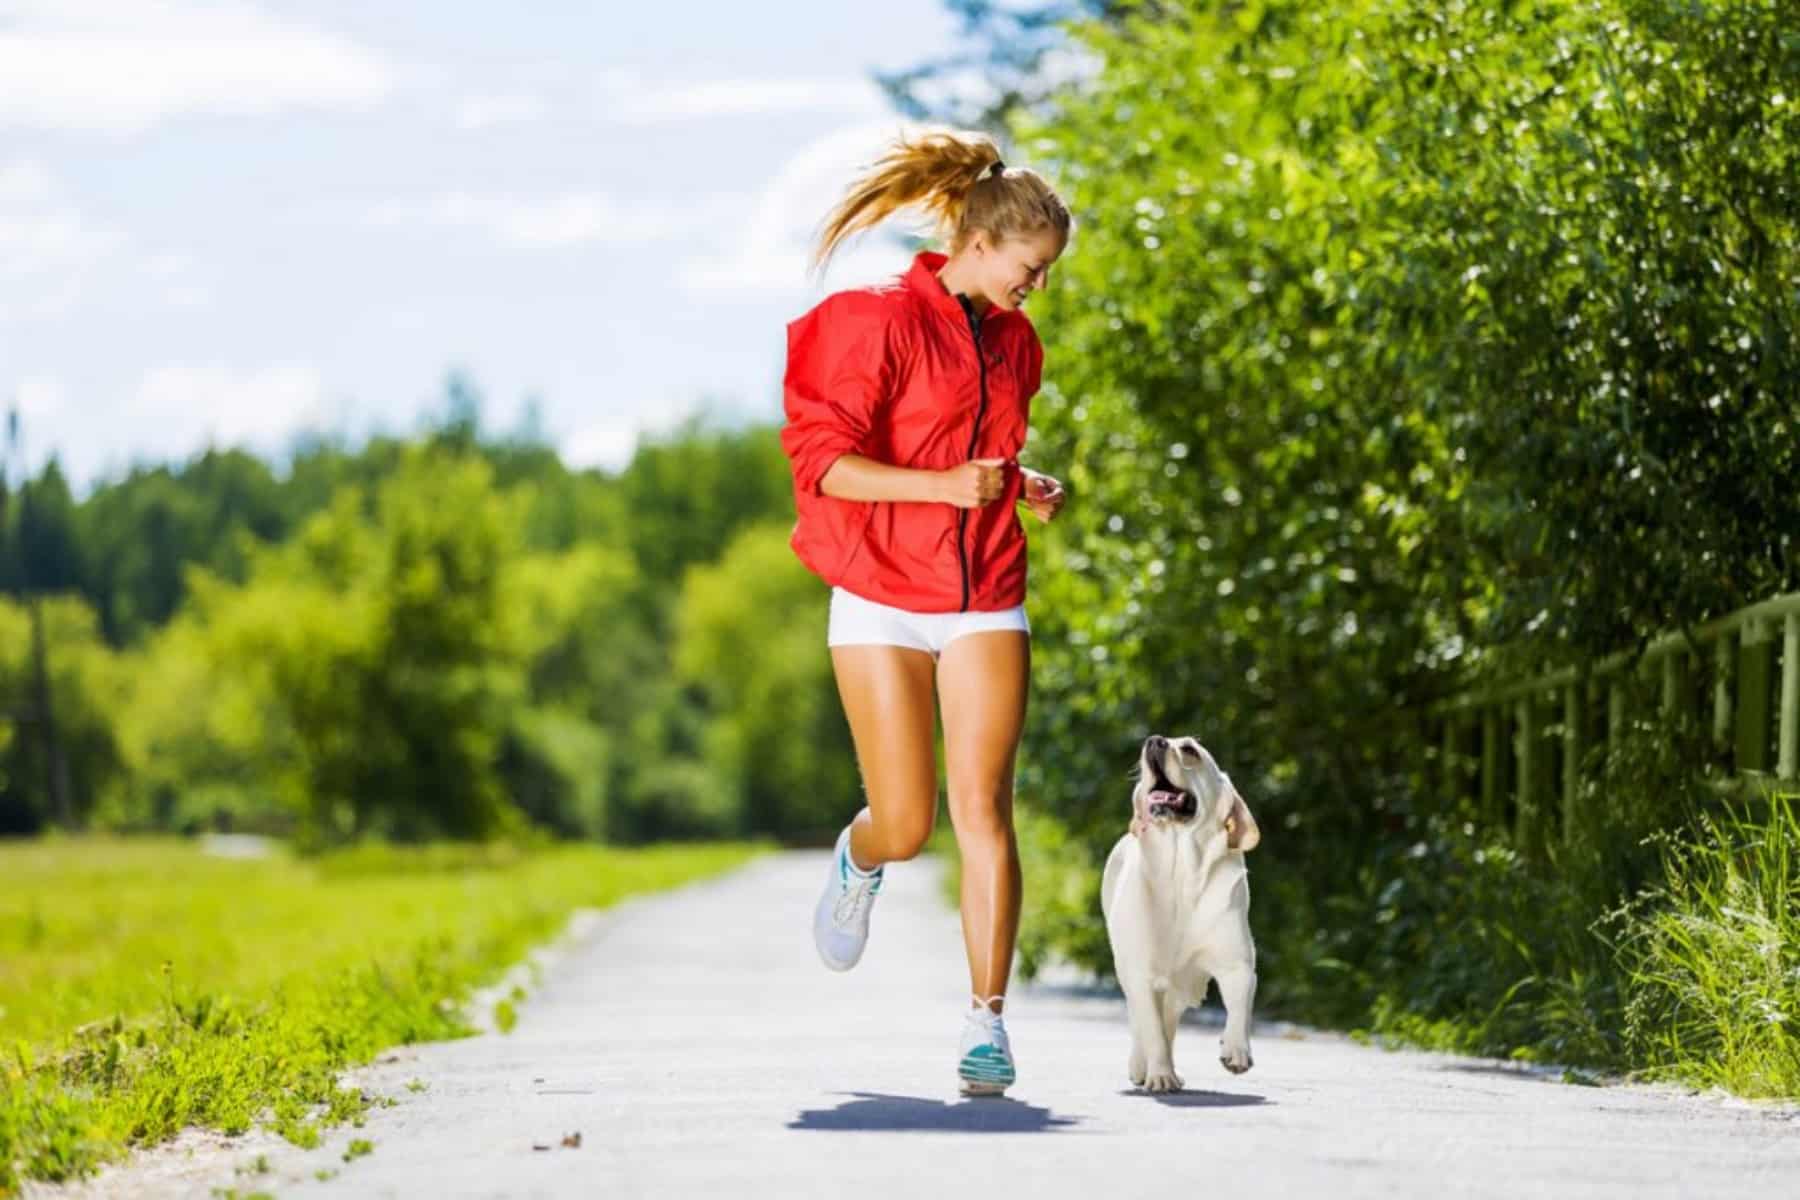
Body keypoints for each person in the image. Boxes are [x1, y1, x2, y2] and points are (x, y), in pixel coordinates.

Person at [778, 127, 1072, 1096]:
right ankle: (861, 860)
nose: (1038, 286)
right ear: (982, 243)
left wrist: (1018, 483)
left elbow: (972, 452)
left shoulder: (1017, 342)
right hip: (878, 593)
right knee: (907, 823)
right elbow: (828, 465)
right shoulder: (872, 323)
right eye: (1032, 267)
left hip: (985, 591)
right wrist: (948, 486)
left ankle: (986, 1024)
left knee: (984, 807)